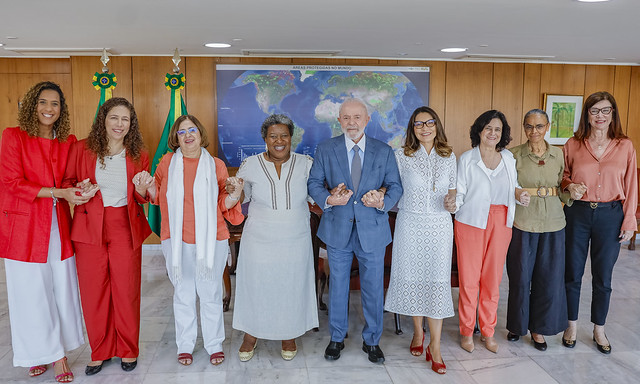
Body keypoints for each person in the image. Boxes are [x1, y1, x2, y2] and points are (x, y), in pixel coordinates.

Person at [0, 81, 88, 382]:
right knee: (30, 293)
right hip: (23, 227)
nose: (49, 109)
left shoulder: (68, 141)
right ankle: (45, 355)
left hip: (58, 224)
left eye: (55, 104)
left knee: (61, 287)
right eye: (43, 102)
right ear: (31, 105)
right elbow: (11, 182)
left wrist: (76, 190)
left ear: (61, 110)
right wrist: (57, 193)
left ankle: (58, 349)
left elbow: (67, 181)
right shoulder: (13, 137)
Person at [308, 98, 403, 363]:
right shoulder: (326, 149)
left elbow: (395, 185)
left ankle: (372, 341)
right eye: (346, 118)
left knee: (373, 288)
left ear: (367, 120)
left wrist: (382, 201)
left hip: (372, 230)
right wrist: (328, 199)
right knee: (338, 286)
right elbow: (314, 182)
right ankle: (336, 337)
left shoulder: (384, 151)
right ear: (339, 120)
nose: (352, 123)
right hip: (337, 228)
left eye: (357, 117)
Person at [63, 97, 152, 375]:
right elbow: (67, 183)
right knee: (93, 291)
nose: (119, 124)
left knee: (126, 291)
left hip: (124, 225)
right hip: (89, 225)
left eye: (125, 119)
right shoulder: (81, 149)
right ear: (103, 118)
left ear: (131, 124)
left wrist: (143, 188)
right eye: (114, 117)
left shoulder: (139, 153)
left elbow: (140, 197)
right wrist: (79, 190)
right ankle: (99, 350)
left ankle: (128, 349)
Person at [147, 114, 244, 366]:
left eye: (192, 130)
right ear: (176, 138)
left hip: (212, 239)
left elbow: (224, 203)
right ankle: (185, 345)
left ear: (201, 134)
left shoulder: (216, 165)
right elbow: (156, 195)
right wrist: (143, 186)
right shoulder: (167, 162)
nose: (188, 135)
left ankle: (214, 345)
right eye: (182, 132)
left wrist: (235, 195)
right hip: (176, 240)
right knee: (183, 293)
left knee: (210, 293)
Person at [233, 114, 318, 362]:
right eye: (273, 136)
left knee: (291, 286)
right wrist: (233, 191)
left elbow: (317, 196)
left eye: (284, 135)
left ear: (291, 137)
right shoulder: (249, 164)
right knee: (256, 285)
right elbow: (241, 200)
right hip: (259, 237)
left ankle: (288, 335)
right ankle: (250, 335)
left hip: (295, 236)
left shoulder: (306, 164)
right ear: (265, 139)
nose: (279, 141)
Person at [561, 91, 637, 354]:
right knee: (572, 273)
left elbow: (631, 185)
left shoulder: (625, 145)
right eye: (595, 111)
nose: (600, 116)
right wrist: (570, 186)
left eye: (605, 111)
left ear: (612, 114)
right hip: (578, 214)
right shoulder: (573, 144)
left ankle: (598, 329)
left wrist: (630, 221)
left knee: (603, 276)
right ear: (587, 115)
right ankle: (571, 324)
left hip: (611, 215)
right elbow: (563, 177)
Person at [384, 106, 456, 374]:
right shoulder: (401, 156)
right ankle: (418, 332)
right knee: (414, 278)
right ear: (412, 129)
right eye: (418, 124)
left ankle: (435, 346)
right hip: (410, 224)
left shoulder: (449, 156)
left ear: (437, 125)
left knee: (436, 281)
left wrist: (453, 201)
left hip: (439, 225)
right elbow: (392, 188)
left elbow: (455, 191)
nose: (425, 128)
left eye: (429, 122)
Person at [454, 110, 530, 354]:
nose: (493, 133)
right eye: (488, 128)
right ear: (479, 130)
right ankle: (466, 331)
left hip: (501, 221)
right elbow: (460, 193)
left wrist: (521, 194)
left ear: (503, 134)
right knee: (469, 280)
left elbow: (515, 186)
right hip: (471, 222)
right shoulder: (467, 158)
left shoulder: (508, 158)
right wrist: (450, 203)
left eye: (497, 129)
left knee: (492, 281)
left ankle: (487, 330)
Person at [505, 109, 568, 351]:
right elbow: (505, 187)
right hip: (523, 221)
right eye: (529, 126)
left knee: (549, 279)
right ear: (524, 128)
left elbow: (562, 185)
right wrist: (516, 192)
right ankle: (517, 325)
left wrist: (571, 192)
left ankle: (538, 329)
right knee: (520, 277)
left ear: (548, 126)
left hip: (553, 221)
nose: (534, 131)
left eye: (539, 126)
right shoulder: (513, 156)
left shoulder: (558, 155)